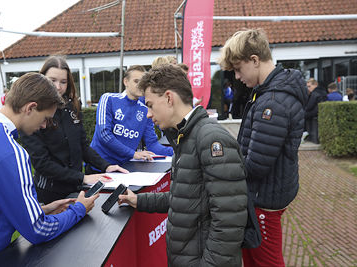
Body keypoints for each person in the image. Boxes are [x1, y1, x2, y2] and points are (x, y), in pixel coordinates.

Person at [0, 73, 98, 266]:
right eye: (45, 118)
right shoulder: (9, 150)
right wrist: (79, 210)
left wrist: (40, 210)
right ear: (31, 108)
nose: (44, 126)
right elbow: (38, 230)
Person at [119, 64, 248, 266]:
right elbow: (185, 199)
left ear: (169, 98)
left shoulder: (210, 139)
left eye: (151, 105)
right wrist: (139, 200)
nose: (148, 114)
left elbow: (229, 221)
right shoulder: (185, 137)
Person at [217, 29, 308, 267]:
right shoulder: (269, 94)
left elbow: (255, 165)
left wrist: (219, 164)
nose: (236, 77)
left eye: (238, 69)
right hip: (267, 192)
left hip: (264, 199)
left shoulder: (273, 103)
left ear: (255, 60)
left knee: (268, 262)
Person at [21, 55, 127, 205]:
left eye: (63, 82)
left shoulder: (72, 107)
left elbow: (82, 146)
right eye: (52, 81)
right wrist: (82, 177)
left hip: (76, 186)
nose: (58, 87)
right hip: (50, 193)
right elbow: (42, 163)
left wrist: (106, 166)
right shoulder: (32, 114)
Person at [90, 65, 173, 165]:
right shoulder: (108, 99)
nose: (139, 85)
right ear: (126, 82)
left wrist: (177, 151)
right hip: (98, 167)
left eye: (142, 82)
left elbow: (152, 145)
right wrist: (133, 153)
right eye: (136, 81)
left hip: (124, 168)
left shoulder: (145, 110)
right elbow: (104, 135)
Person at [302, 78, 327, 143]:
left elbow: (309, 106)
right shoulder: (323, 92)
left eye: (309, 86)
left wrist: (305, 114)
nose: (308, 88)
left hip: (312, 116)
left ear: (315, 85)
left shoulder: (315, 94)